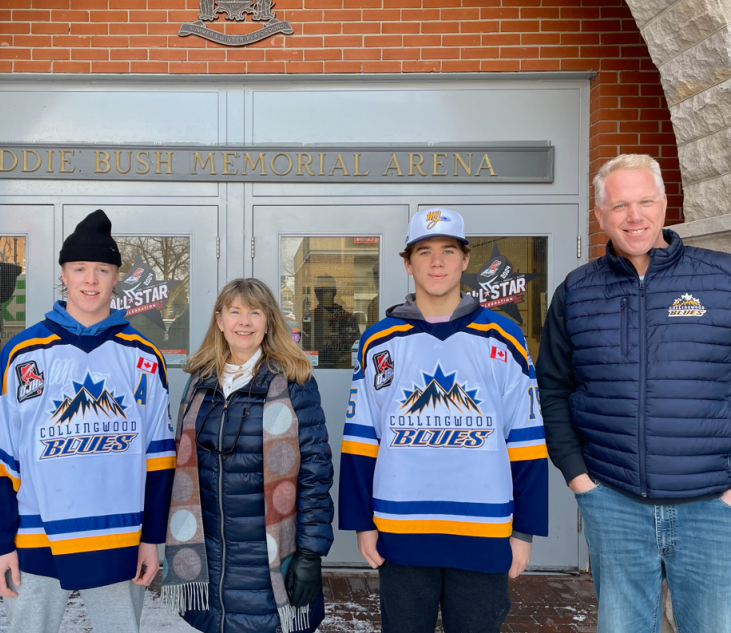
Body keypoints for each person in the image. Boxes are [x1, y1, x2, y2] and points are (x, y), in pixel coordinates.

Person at [537, 153, 731, 633]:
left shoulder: (722, 280)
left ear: (664, 205)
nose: (634, 216)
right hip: (614, 502)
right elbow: (553, 387)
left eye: (645, 201)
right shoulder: (577, 291)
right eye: (620, 205)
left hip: (710, 505)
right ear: (600, 216)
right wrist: (579, 479)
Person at [339, 207, 549, 633]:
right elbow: (361, 438)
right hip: (400, 527)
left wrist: (524, 531)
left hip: (484, 528)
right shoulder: (378, 341)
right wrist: (361, 522)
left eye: (448, 250)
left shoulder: (504, 338)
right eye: (425, 251)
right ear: (407, 262)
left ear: (465, 259)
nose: (437, 262)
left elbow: (527, 439)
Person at [0, 209, 174, 633]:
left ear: (116, 276)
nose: (90, 279)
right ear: (63, 274)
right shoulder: (24, 354)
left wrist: (152, 537)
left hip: (120, 537)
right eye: (79, 268)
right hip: (35, 538)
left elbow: (158, 458)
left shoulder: (144, 357)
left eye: (102, 269)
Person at [162, 278, 334, 633]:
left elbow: (316, 473)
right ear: (220, 320)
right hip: (210, 553)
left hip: (270, 555)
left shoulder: (293, 381)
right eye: (235, 311)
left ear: (268, 321)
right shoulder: (198, 382)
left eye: (255, 312)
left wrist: (310, 552)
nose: (245, 322)